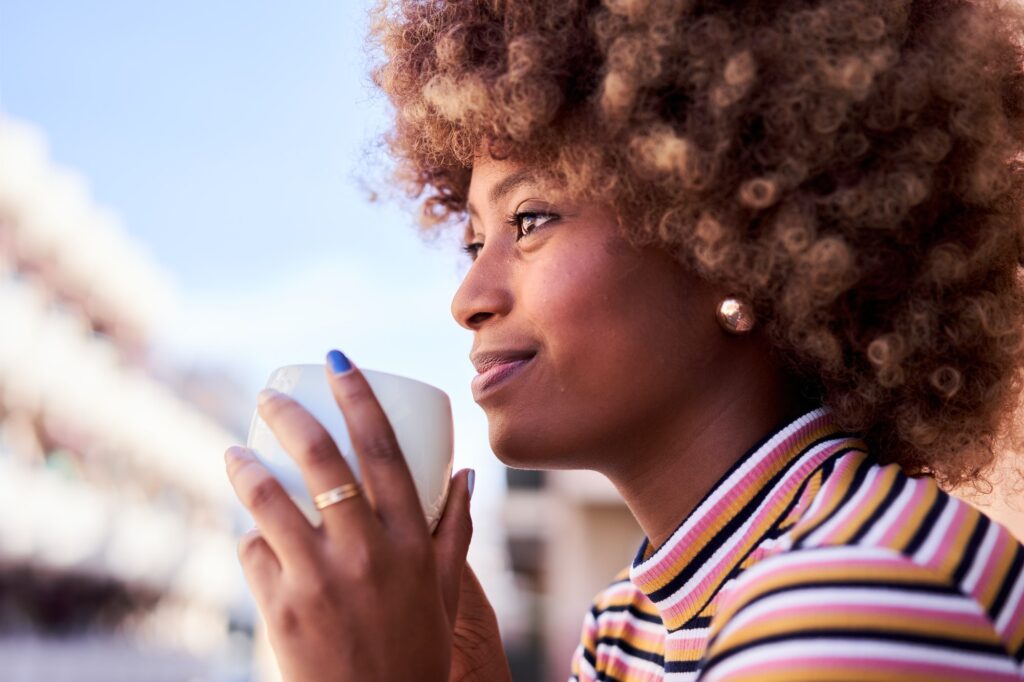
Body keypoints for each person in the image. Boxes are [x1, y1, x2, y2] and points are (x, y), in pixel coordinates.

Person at [223, 0, 1024, 679]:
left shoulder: (857, 599)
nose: (468, 297)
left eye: (529, 221)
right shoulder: (628, 625)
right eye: (473, 243)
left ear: (728, 237)